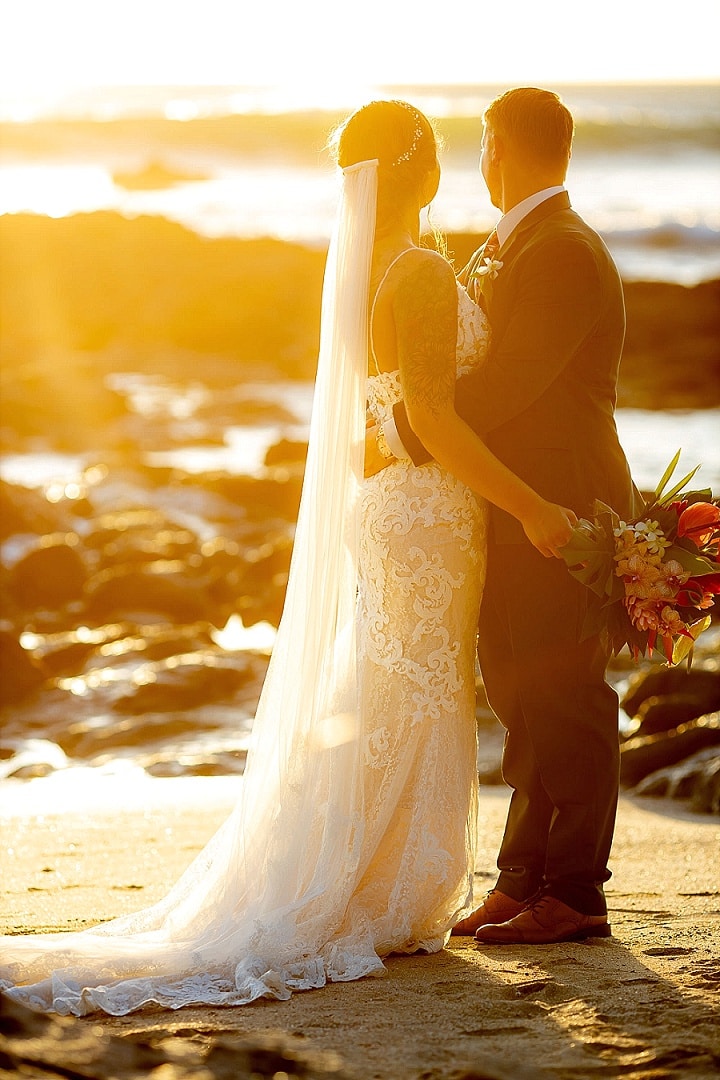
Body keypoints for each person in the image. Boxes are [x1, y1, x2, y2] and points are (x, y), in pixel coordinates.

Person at [0, 99, 574, 1017]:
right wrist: (530, 504)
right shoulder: (418, 270)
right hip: (426, 513)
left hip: (398, 507)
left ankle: (381, 881)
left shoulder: (371, 269)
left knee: (396, 681)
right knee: (414, 685)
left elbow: (379, 419)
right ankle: (378, 891)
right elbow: (430, 414)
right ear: (419, 167)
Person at [370, 87, 640, 945]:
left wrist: (403, 428)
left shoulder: (561, 250)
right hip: (508, 503)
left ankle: (575, 891)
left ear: (498, 147)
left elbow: (511, 382)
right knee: (521, 691)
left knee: (569, 696)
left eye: (482, 144)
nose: (477, 160)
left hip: (562, 504)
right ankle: (520, 879)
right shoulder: (517, 243)